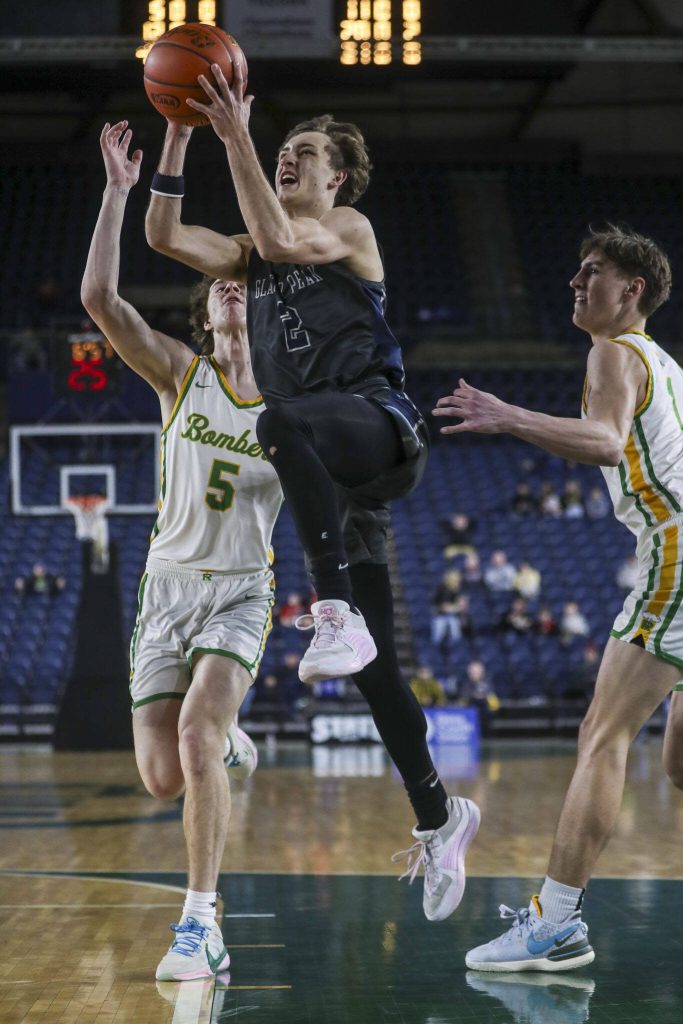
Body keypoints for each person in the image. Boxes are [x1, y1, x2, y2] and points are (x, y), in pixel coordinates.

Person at [144, 75, 479, 922]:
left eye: (303, 155)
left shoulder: (346, 229)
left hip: (377, 423)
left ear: (338, 179)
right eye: (280, 153)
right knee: (374, 676)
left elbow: (279, 236)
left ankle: (330, 609)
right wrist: (182, 134)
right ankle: (441, 817)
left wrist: (237, 138)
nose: (287, 159)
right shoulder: (251, 255)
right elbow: (162, 233)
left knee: (280, 421)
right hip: (330, 466)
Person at [434, 224, 683, 971]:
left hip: (676, 550)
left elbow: (606, 441)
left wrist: (506, 415)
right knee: (677, 766)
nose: (575, 285)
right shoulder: (665, 363)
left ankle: (556, 921)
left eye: (591, 273)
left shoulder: (612, 349)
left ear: (630, 289)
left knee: (599, 738)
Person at [81, 122, 283, 982]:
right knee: (163, 776)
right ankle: (233, 746)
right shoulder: (179, 376)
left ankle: (201, 921)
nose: (232, 292)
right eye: (219, 289)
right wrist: (118, 192)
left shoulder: (290, 400)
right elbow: (101, 302)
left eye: (243, 286)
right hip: (165, 592)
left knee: (199, 735)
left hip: (241, 590)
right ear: (203, 309)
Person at [430, 569, 463, 653]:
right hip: (439, 616)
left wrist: (454, 607)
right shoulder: (441, 589)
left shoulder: (456, 590)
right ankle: (435, 652)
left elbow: (461, 605)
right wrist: (453, 607)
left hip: (452, 616)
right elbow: (443, 607)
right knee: (437, 636)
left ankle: (457, 651)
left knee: (456, 634)